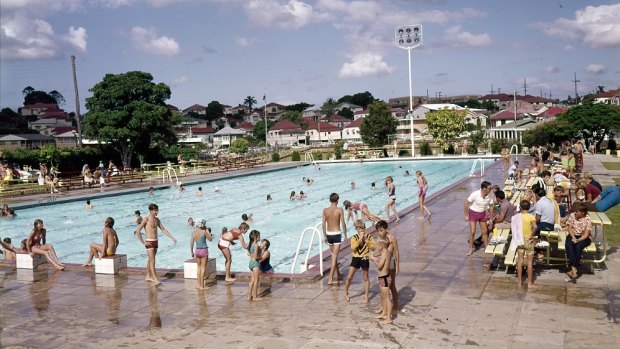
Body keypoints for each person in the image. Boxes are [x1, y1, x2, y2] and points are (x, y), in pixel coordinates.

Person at [135, 204, 177, 285]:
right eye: (156, 210)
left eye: (157, 210)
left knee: (150, 259)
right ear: (151, 211)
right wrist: (143, 242)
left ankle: (148, 276)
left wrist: (172, 238)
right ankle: (155, 279)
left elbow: (163, 229)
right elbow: (138, 231)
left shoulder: (157, 220)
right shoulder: (146, 219)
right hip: (149, 242)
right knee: (153, 260)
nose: (157, 212)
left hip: (155, 241)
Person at [344, 219, 375, 304]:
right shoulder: (354, 237)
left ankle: (366, 297)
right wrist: (360, 240)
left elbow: (373, 248)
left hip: (365, 258)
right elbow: (353, 248)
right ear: (356, 229)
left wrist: (367, 241)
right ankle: (346, 292)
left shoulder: (369, 236)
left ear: (364, 228)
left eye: (362, 228)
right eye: (359, 229)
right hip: (356, 258)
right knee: (349, 277)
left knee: (366, 278)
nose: (361, 230)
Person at [508, 201, 538, 289]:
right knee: (529, 262)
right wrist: (532, 235)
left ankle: (519, 282)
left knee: (520, 261)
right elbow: (535, 227)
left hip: (519, 240)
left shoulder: (516, 217)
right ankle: (529, 283)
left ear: (520, 207)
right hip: (528, 240)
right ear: (529, 208)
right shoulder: (531, 216)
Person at [322, 192, 347, 285]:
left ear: (330, 200)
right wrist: (345, 235)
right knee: (334, 257)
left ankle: (338, 273)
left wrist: (324, 235)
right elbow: (343, 224)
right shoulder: (339, 210)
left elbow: (323, 224)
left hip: (329, 235)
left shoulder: (325, 210)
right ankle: (330, 279)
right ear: (337, 200)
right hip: (336, 234)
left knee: (334, 256)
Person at [375, 220, 400, 315]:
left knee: (392, 285)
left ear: (386, 229)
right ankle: (382, 306)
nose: (379, 232)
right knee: (382, 286)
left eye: (381, 230)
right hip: (384, 262)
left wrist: (397, 265)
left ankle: (396, 306)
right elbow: (378, 251)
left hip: (391, 263)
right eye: (378, 231)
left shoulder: (391, 238)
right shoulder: (380, 238)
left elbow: (396, 252)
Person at [565, 202, 592, 281]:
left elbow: (586, 235)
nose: (575, 213)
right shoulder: (572, 215)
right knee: (569, 245)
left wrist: (577, 240)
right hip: (573, 235)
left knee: (578, 246)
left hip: (584, 237)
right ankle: (574, 267)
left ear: (583, 212)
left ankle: (573, 266)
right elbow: (569, 228)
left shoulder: (588, 219)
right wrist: (573, 237)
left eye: (577, 211)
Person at [464, 181, 492, 255]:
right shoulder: (475, 194)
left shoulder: (489, 196)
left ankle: (486, 247)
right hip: (473, 213)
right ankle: (470, 249)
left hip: (482, 214)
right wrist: (466, 215)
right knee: (472, 231)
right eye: (489, 188)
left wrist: (490, 218)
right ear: (484, 188)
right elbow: (466, 203)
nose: (490, 190)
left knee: (485, 231)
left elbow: (491, 206)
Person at [370, 237, 392, 325]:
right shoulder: (385, 252)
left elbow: (379, 266)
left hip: (385, 277)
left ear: (382, 245)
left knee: (387, 299)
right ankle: (383, 314)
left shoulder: (385, 253)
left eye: (378, 244)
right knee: (383, 296)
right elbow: (381, 261)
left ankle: (389, 318)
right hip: (382, 277)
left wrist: (373, 259)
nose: (377, 246)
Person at [190, 219, 213, 290]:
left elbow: (191, 243)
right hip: (203, 250)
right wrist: (207, 232)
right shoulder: (204, 231)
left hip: (197, 250)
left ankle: (198, 284)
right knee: (203, 268)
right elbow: (210, 239)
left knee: (199, 268)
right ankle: (202, 286)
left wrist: (191, 252)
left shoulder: (193, 232)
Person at [246, 230, 263, 301]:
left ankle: (249, 296)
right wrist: (261, 257)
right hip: (255, 263)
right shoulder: (256, 245)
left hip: (250, 263)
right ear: (256, 237)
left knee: (252, 280)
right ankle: (255, 297)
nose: (260, 237)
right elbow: (256, 257)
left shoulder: (250, 244)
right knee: (256, 281)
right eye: (259, 236)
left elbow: (249, 254)